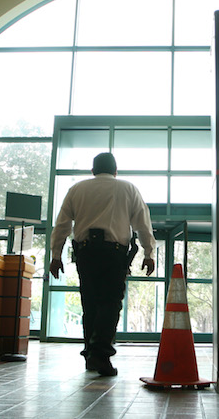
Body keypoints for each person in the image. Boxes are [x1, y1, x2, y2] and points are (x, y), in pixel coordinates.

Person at [49, 152, 156, 376]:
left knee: (90, 303)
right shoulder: (128, 189)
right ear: (116, 171)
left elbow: (62, 225)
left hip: (85, 253)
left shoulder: (76, 189)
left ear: (92, 171)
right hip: (114, 254)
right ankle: (101, 354)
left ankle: (90, 353)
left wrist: (56, 255)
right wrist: (149, 252)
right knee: (110, 303)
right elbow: (142, 224)